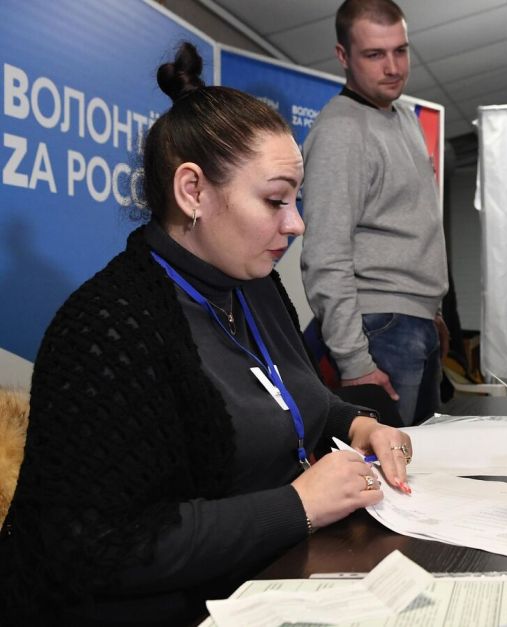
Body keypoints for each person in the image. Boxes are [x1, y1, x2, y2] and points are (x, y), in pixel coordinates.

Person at [0, 42, 413, 626]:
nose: (296, 224)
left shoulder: (256, 287)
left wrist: (358, 425)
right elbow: (98, 550)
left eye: (295, 201)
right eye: (275, 200)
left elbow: (297, 400)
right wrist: (297, 505)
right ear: (193, 191)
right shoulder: (107, 328)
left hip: (275, 579)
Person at [301, 0, 448, 426]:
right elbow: (325, 256)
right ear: (343, 56)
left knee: (423, 461)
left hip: (416, 323)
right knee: (391, 466)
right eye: (374, 54)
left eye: (400, 50)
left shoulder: (404, 116)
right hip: (378, 329)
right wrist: (354, 363)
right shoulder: (340, 130)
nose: (393, 67)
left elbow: (411, 228)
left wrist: (431, 311)